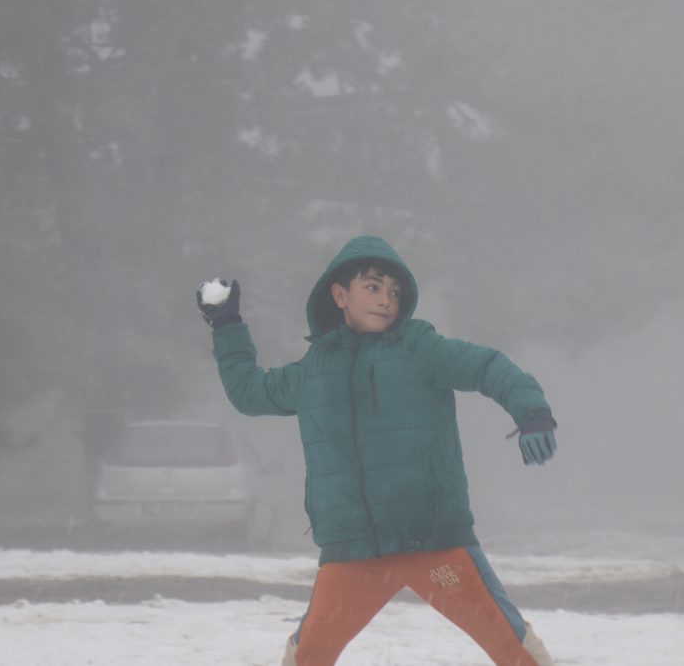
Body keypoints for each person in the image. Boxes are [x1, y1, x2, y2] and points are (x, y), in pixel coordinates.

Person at [197, 235, 557, 666]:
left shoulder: (422, 349)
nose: (386, 299)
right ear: (339, 295)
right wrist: (226, 324)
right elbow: (249, 392)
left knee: (508, 645)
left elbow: (487, 366)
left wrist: (531, 411)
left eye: (394, 291)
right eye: (372, 287)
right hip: (354, 559)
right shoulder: (313, 372)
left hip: (435, 550)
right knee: (309, 655)